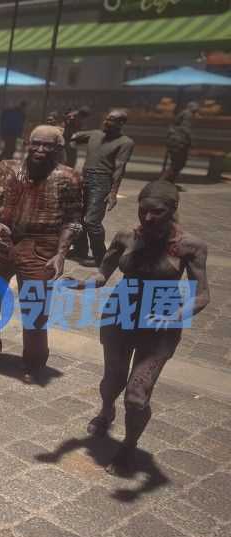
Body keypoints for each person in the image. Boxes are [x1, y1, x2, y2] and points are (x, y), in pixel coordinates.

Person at [71, 181, 208, 475]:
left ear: (173, 209)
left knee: (136, 396)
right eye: (143, 211)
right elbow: (102, 274)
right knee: (112, 381)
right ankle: (106, 410)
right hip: (120, 314)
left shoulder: (191, 246)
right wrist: (83, 284)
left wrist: (176, 316)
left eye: (157, 212)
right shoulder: (125, 236)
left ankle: (129, 446)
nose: (148, 218)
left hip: (160, 322)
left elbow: (201, 295)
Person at [0, 126, 83, 384]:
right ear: (27, 143)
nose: (40, 150)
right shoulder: (6, 168)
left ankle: (34, 361)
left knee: (35, 308)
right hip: (1, 239)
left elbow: (73, 220)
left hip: (41, 245)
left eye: (47, 146)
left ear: (58, 149)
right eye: (35, 143)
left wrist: (61, 254)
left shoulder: (68, 177)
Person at [69, 109, 134, 267]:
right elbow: (72, 136)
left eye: (111, 119)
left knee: (92, 221)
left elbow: (119, 168)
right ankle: (80, 250)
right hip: (84, 178)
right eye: (107, 118)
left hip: (102, 181)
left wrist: (113, 192)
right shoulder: (95, 134)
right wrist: (67, 124)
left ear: (121, 123)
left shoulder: (125, 142)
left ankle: (101, 257)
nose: (106, 122)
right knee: (78, 217)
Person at [162, 102, 197, 184]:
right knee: (177, 164)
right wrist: (192, 142)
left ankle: (167, 182)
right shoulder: (188, 114)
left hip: (175, 141)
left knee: (176, 164)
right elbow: (186, 129)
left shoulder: (183, 114)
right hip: (179, 142)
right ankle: (164, 182)